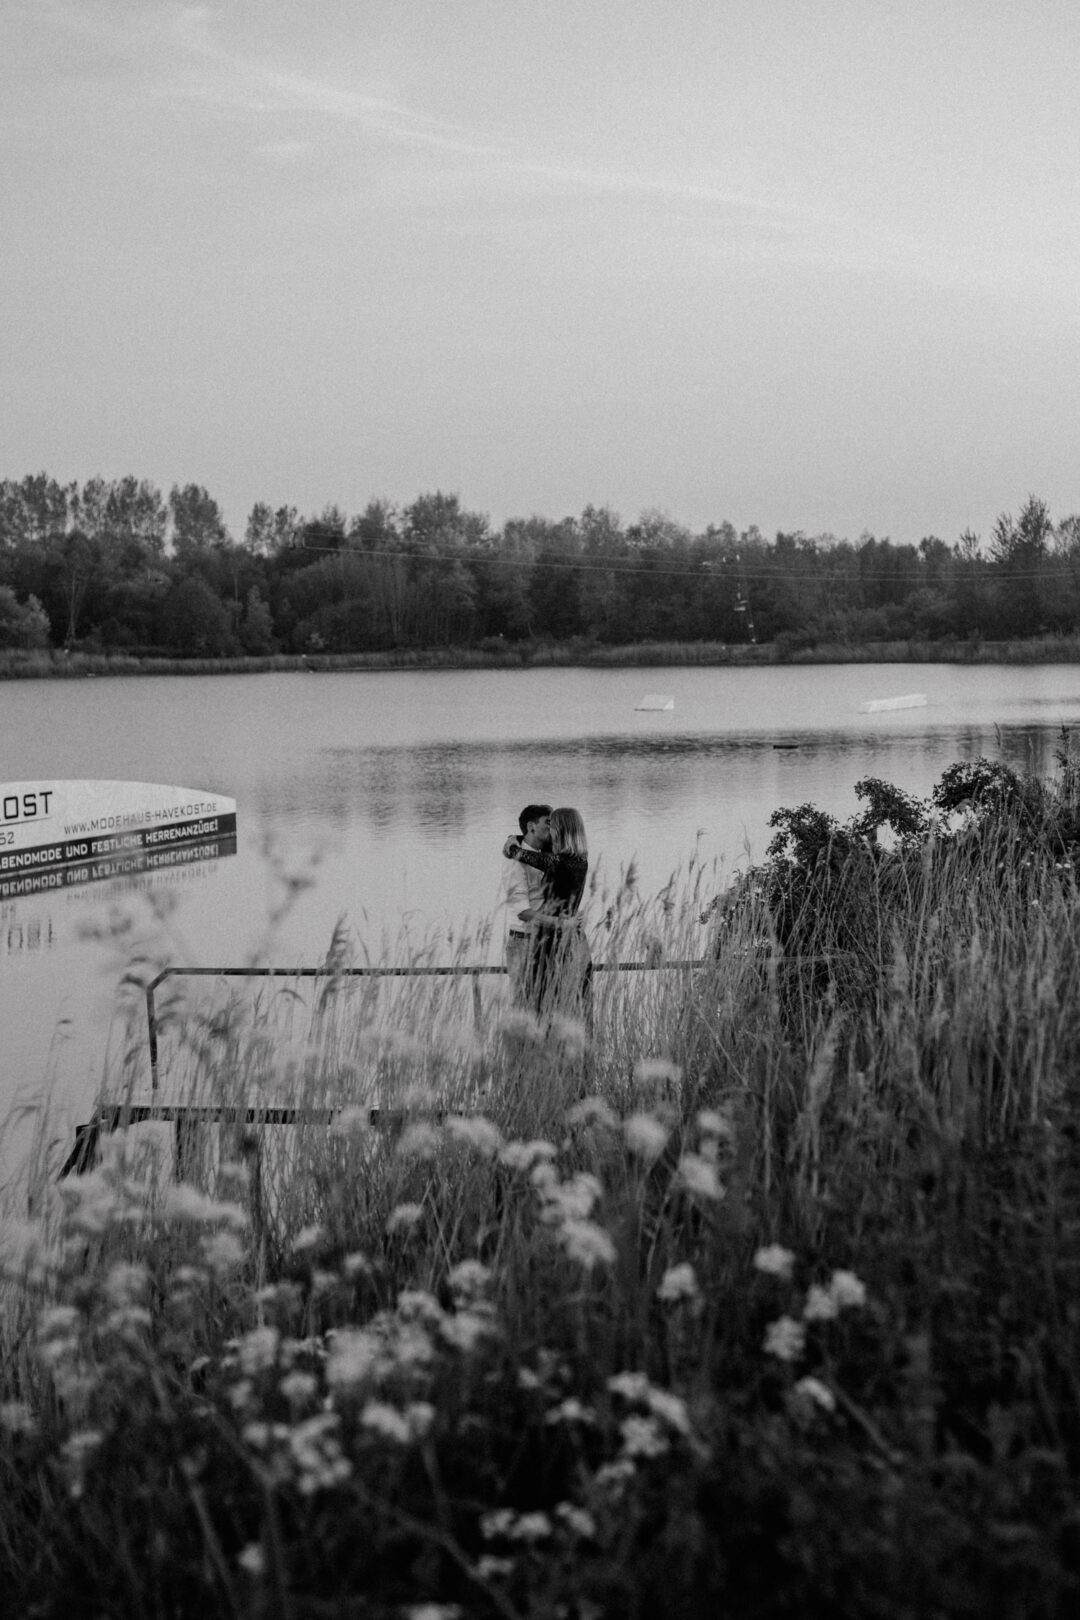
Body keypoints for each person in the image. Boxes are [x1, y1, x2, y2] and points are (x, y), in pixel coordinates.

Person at [503, 806, 592, 1023]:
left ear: (560, 831)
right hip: (560, 939)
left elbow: (518, 853)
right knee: (552, 1007)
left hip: (557, 941)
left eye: (553, 825)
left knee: (548, 1008)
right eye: (547, 823)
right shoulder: (576, 858)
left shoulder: (561, 863)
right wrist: (515, 836)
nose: (549, 829)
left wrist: (512, 846)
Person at [502, 803, 551, 1006]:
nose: (553, 828)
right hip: (525, 942)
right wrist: (559, 923)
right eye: (548, 823)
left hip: (547, 940)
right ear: (531, 826)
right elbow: (522, 912)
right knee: (527, 1006)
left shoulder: (548, 852)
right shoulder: (516, 862)